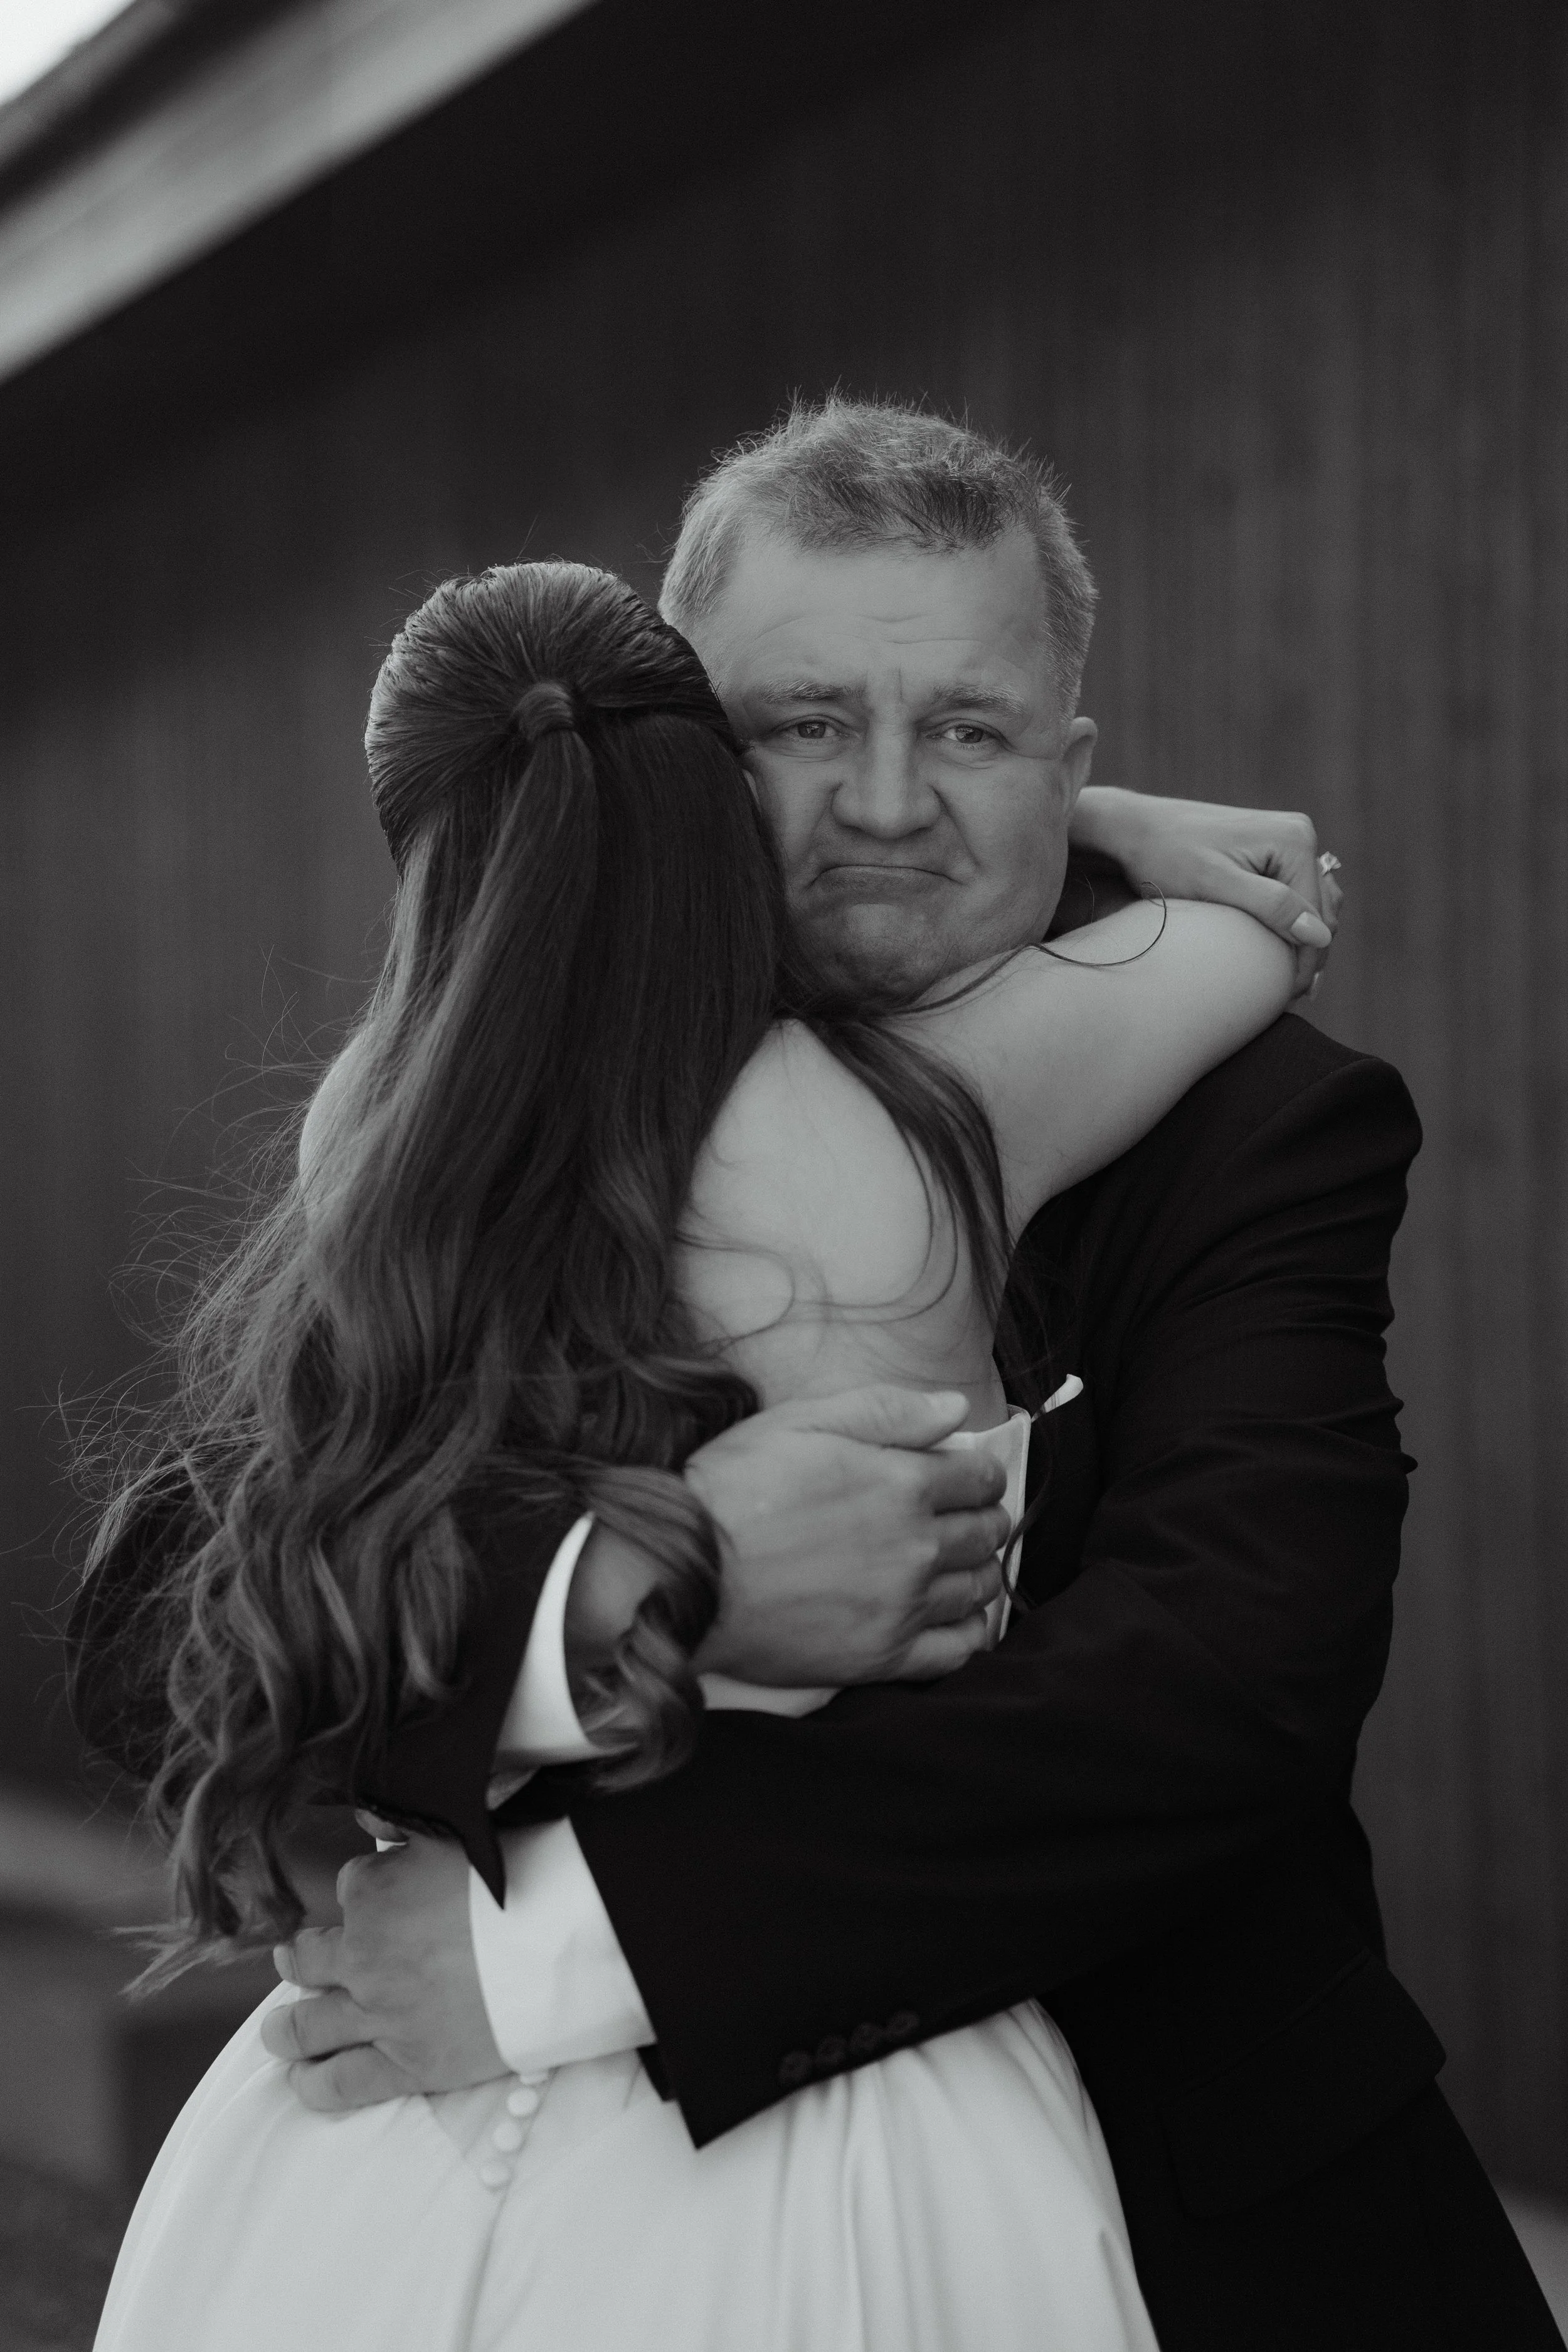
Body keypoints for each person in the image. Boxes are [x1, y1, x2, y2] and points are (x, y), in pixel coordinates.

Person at [208, 403, 1560, 2351]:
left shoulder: (1272, 1132)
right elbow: (173, 1600)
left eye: (974, 736)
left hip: (1186, 2182)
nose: (890, 801)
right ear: (681, 758)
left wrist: (559, 1953)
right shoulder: (478, 1109)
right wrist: (630, 1582)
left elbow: (1224, 1680)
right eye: (806, 726)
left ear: (1069, 760)